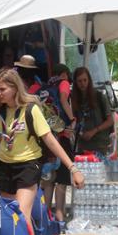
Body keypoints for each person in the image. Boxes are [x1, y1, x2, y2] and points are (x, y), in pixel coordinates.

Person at [0, 69, 85, 235]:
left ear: (14, 88)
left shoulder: (31, 109)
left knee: (21, 215)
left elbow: (50, 140)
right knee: (7, 216)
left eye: (2, 89)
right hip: (4, 165)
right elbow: (1, 138)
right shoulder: (0, 110)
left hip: (27, 165)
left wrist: (72, 168)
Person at [40, 64, 76, 224]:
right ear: (64, 74)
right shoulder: (63, 83)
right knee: (62, 176)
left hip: (47, 136)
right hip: (62, 134)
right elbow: (63, 98)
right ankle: (60, 214)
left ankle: (45, 214)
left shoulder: (44, 87)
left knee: (48, 178)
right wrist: (73, 118)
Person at [71, 67, 114, 155]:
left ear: (89, 80)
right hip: (83, 144)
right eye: (79, 81)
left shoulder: (99, 96)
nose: (82, 83)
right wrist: (78, 132)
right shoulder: (74, 99)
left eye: (85, 80)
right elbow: (76, 121)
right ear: (75, 82)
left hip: (99, 144)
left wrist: (94, 131)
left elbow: (110, 121)